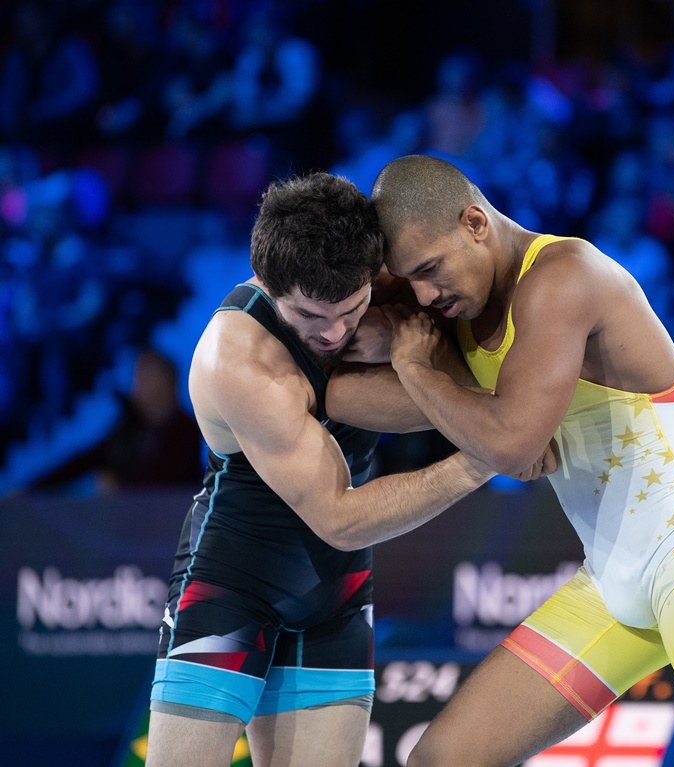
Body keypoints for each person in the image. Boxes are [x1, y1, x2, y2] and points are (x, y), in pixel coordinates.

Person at [359, 154, 674, 766]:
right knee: (442, 760)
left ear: (474, 222)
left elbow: (511, 443)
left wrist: (413, 363)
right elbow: (420, 409)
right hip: (614, 579)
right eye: (408, 279)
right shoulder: (454, 296)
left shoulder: (565, 276)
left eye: (430, 271)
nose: (423, 295)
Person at [144, 172, 552, 767]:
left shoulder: (396, 283)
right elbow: (339, 517)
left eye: (351, 308)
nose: (335, 332)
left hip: (335, 596)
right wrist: (484, 456)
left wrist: (410, 349)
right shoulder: (236, 360)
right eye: (310, 317)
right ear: (269, 284)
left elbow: (485, 355)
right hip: (231, 586)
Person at [33, 347, 203, 494]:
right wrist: (33, 489)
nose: (136, 386)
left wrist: (120, 489)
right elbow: (85, 460)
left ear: (168, 383)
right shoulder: (129, 430)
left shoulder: (186, 431)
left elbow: (170, 489)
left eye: (145, 378)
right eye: (137, 377)